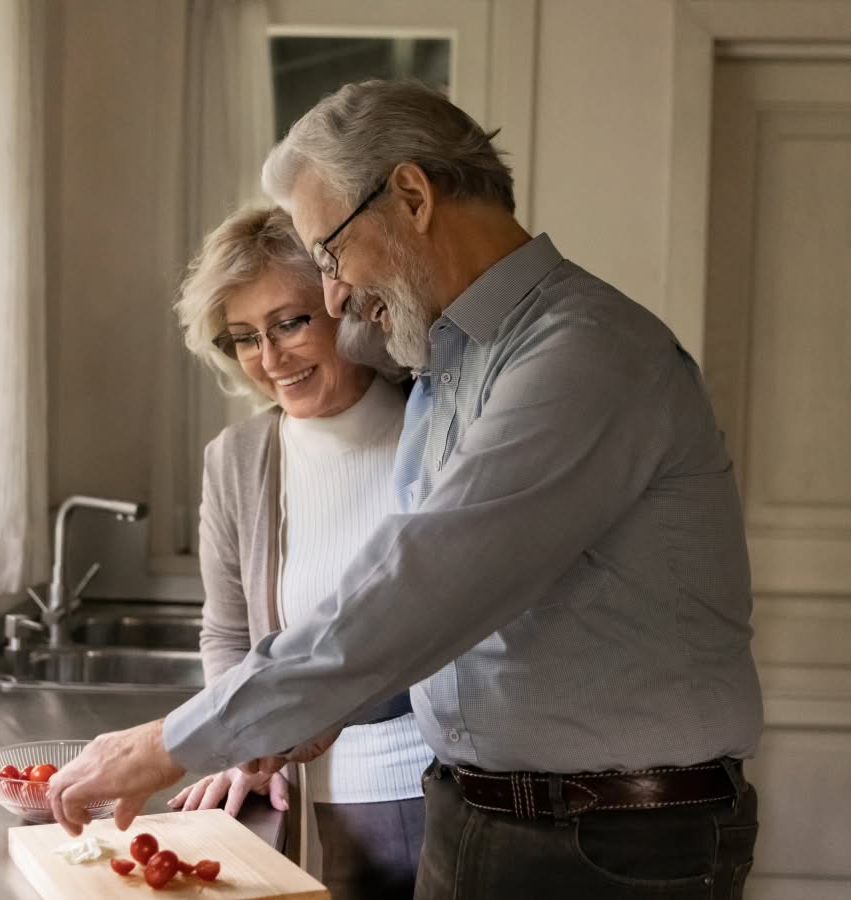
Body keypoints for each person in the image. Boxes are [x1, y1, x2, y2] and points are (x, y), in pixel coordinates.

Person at [48, 80, 763, 900]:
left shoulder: (585, 354)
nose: (337, 292)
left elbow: (425, 583)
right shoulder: (448, 371)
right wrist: (315, 713)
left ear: (413, 197)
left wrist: (172, 741)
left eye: (329, 253)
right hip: (482, 819)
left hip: (614, 844)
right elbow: (461, 627)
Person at [166, 205, 430, 900]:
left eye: (290, 322)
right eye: (245, 337)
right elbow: (226, 633)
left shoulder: (435, 425)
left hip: (439, 791)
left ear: (346, 305)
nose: (270, 359)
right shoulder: (236, 459)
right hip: (303, 805)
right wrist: (239, 741)